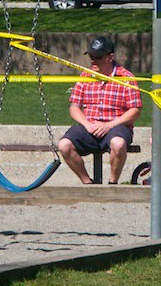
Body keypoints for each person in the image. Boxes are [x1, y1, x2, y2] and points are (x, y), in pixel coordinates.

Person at [58, 36, 142, 184]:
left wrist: (109, 125)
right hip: (89, 126)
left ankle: (112, 183)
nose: (93, 60)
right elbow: (74, 108)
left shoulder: (126, 77)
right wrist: (87, 124)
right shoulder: (85, 76)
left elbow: (135, 111)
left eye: (97, 57)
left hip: (117, 127)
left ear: (110, 57)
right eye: (91, 56)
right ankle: (87, 183)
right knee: (64, 145)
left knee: (118, 143)